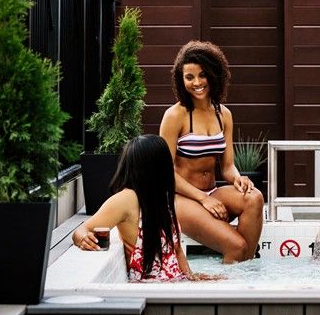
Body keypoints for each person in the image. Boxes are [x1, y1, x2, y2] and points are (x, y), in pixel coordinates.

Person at [159, 40, 264, 263]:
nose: (197, 82)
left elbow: (227, 167)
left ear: (214, 75)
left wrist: (238, 179)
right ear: (181, 79)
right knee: (237, 246)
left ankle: (242, 267)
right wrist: (203, 200)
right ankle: (228, 286)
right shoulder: (175, 116)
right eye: (189, 77)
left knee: (254, 197)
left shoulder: (223, 114)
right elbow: (164, 173)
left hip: (212, 192)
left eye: (202, 75)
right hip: (181, 198)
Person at [72, 134, 219, 282]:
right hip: (151, 291)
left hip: (174, 285)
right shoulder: (126, 199)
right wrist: (83, 238)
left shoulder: (161, 199)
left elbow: (177, 250)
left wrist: (191, 278)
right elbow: (82, 230)